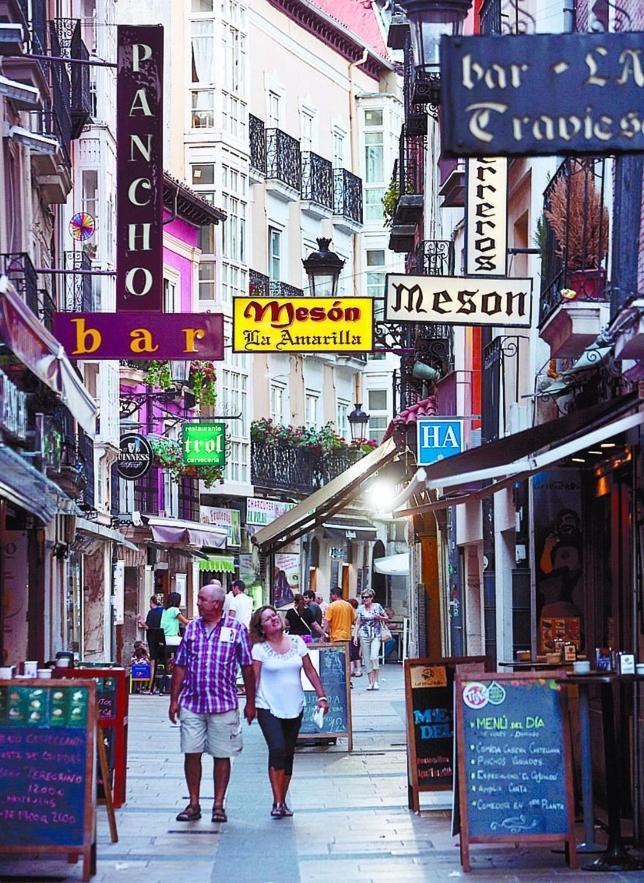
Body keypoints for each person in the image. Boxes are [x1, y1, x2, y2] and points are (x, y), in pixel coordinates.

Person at [169, 583, 256, 824]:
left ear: (216, 604)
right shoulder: (192, 628)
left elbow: (247, 668)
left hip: (223, 703)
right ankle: (194, 803)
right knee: (191, 752)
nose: (197, 602)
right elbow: (180, 665)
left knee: (222, 754)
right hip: (192, 702)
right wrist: (174, 700)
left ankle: (218, 804)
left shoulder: (236, 629)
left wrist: (251, 702)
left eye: (201, 599)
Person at [250, 605, 328, 817]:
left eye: (274, 615)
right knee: (277, 748)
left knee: (288, 753)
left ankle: (283, 800)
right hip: (267, 705)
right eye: (268, 618)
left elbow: (310, 670)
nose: (274, 619)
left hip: (295, 705)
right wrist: (249, 705)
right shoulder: (259, 649)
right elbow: (254, 679)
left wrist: (321, 696)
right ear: (262, 628)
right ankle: (277, 802)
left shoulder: (297, 642)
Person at [355, 589, 388, 691]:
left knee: (374, 656)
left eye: (367, 597)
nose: (365, 599)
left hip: (375, 635)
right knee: (366, 658)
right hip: (364, 635)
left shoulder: (377, 606)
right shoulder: (360, 609)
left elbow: (386, 618)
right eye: (363, 597)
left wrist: (379, 617)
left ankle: (376, 681)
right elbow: (358, 623)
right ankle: (370, 682)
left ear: (371, 598)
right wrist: (355, 636)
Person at [348, 598, 362, 676]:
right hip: (353, 634)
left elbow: (357, 623)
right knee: (352, 653)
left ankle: (358, 669)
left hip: (354, 634)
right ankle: (352, 669)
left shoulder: (355, 613)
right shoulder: (355, 612)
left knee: (355, 653)